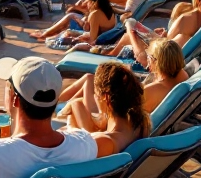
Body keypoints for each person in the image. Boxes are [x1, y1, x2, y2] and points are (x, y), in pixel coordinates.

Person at [59, 38, 187, 118]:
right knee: (88, 83)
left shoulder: (153, 90)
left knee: (87, 81)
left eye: (148, 57)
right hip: (122, 110)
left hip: (106, 116)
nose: (147, 60)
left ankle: (54, 107)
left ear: (155, 61)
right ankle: (56, 104)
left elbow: (118, 112)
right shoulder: (181, 75)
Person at [100, 0, 201, 65]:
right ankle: (108, 53)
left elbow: (167, 44)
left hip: (160, 57)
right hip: (177, 56)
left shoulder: (186, 18)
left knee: (131, 25)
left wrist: (163, 36)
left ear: (199, 0)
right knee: (129, 35)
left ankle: (106, 57)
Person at [63, 61, 150, 157]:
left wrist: (71, 128)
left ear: (106, 98)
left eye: (96, 94)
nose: (95, 98)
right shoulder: (142, 123)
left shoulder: (104, 142)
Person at [29, 0, 116, 44]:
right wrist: (83, 22)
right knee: (72, 16)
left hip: (98, 37)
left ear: (94, 2)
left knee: (70, 18)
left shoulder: (95, 14)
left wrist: (78, 37)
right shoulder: (108, 10)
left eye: (88, 1)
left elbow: (93, 39)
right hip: (100, 33)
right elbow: (96, 27)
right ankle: (46, 32)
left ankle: (45, 34)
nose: (87, 4)